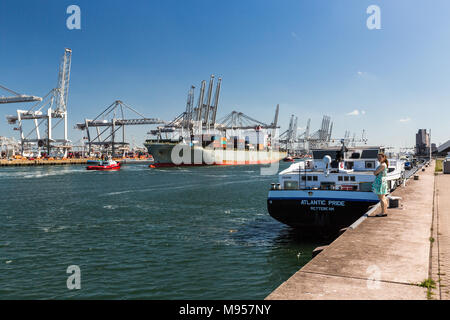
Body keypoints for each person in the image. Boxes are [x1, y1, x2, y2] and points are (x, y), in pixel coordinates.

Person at [372, 152, 389, 217]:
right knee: (383, 198)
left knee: (381, 198)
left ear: (384, 158)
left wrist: (374, 172)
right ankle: (384, 211)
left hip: (380, 182)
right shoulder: (384, 164)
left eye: (380, 157)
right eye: (378, 157)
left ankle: (383, 212)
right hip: (382, 181)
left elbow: (375, 173)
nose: (378, 159)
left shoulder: (382, 165)